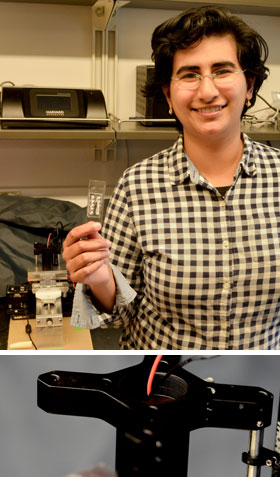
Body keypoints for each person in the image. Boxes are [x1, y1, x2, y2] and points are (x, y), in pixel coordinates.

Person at [63, 5, 280, 350]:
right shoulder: (136, 186)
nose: (207, 91)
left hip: (255, 386)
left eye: (222, 70)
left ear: (249, 85)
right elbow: (117, 316)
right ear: (167, 94)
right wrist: (99, 277)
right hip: (160, 388)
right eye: (190, 74)